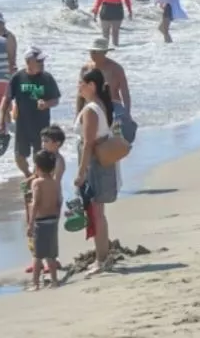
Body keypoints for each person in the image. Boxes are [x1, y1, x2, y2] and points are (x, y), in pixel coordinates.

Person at [73, 69, 119, 275]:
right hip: (101, 162)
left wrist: (81, 172)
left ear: (91, 85)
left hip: (95, 165)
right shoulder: (99, 105)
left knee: (97, 213)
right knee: (99, 213)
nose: (78, 87)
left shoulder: (91, 109)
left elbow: (88, 143)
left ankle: (102, 259)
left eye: (81, 83)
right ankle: (103, 256)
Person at [0, 47, 61, 178]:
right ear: (28, 61)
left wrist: (46, 104)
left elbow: (56, 99)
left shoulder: (47, 78)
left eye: (43, 61)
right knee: (19, 155)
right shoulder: (18, 77)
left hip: (42, 126)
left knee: (40, 156)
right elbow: (6, 99)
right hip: (22, 125)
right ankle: (28, 175)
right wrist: (1, 122)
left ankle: (37, 177)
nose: (42, 64)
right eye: (39, 61)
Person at [27, 150, 61, 290]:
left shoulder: (37, 183)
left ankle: (35, 283)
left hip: (40, 222)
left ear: (37, 167)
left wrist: (30, 224)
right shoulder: (54, 183)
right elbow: (59, 202)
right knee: (51, 255)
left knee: (38, 255)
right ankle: (54, 280)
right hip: (53, 220)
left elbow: (36, 203)